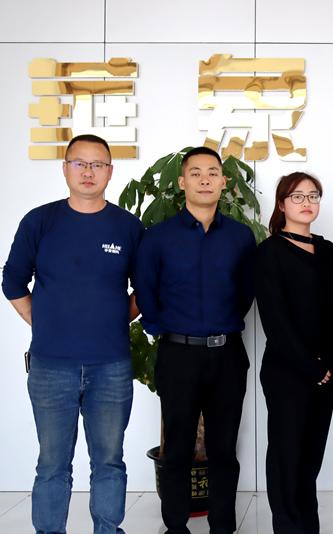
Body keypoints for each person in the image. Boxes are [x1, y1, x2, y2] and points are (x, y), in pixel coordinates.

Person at [2, 134, 143, 534]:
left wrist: (113, 320)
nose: (88, 172)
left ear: (110, 172)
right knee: (52, 464)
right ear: (65, 168)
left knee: (109, 461)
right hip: (50, 367)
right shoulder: (40, 221)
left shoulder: (128, 227)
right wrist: (42, 321)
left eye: (97, 164)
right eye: (79, 163)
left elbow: (146, 290)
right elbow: (12, 280)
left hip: (111, 367)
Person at [133, 146, 256, 534]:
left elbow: (246, 292)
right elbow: (146, 291)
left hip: (227, 355)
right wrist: (166, 328)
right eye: (196, 173)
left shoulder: (240, 237)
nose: (205, 179)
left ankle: (223, 527)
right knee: (177, 449)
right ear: (182, 181)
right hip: (178, 355)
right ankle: (176, 527)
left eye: (212, 172)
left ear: (224, 182)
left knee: (224, 449)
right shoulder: (158, 237)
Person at [255, 172, 333, 533]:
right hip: (287, 371)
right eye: (297, 197)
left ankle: (308, 526)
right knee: (286, 456)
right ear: (281, 204)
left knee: (310, 458)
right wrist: (311, 367)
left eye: (313, 196)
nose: (306, 203)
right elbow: (275, 321)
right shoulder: (269, 252)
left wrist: (330, 363)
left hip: (326, 371)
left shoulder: (329, 251)